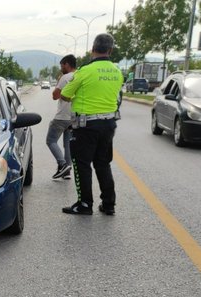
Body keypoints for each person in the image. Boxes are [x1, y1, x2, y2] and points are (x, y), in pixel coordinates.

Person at [59, 33, 123, 215]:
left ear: (92, 49)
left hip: (86, 126)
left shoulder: (84, 71)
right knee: (103, 164)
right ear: (110, 50)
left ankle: (85, 204)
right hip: (109, 124)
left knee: (82, 164)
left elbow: (64, 94)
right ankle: (109, 204)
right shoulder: (117, 72)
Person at [46, 54, 77, 180]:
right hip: (73, 116)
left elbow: (55, 96)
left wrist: (59, 81)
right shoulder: (79, 76)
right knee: (67, 144)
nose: (61, 68)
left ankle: (63, 164)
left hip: (62, 116)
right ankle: (67, 171)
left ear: (67, 64)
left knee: (51, 141)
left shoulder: (65, 77)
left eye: (62, 65)